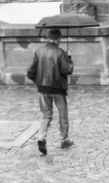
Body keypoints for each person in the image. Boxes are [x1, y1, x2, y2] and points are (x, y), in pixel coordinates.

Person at [27, 28, 74, 156]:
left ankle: (41, 137)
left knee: (46, 115)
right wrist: (69, 57)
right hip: (58, 88)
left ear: (48, 38)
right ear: (58, 39)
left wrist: (38, 81)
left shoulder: (38, 52)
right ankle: (64, 140)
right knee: (62, 114)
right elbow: (67, 70)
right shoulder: (61, 53)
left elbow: (30, 72)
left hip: (43, 89)